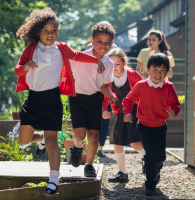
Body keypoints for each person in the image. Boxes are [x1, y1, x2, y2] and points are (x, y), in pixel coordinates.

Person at [14, 7, 105, 196]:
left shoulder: (61, 48)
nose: (50, 34)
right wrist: (25, 66)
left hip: (52, 100)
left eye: (53, 30)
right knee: (23, 141)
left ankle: (54, 181)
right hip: (33, 100)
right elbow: (17, 71)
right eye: (45, 30)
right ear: (38, 31)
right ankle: (39, 140)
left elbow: (77, 55)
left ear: (57, 32)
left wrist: (96, 60)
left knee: (52, 142)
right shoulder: (31, 49)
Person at [123, 53, 180, 196]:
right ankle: (150, 184)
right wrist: (127, 113)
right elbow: (128, 100)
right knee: (150, 154)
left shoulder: (168, 87)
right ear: (148, 70)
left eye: (162, 71)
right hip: (144, 126)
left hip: (160, 126)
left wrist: (174, 111)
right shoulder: (141, 85)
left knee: (160, 156)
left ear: (167, 72)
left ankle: (156, 169)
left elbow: (175, 104)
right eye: (155, 69)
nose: (158, 74)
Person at [69, 22, 117, 177]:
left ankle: (89, 165)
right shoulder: (81, 57)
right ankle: (77, 145)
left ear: (112, 43)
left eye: (107, 42)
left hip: (95, 98)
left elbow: (104, 86)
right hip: (77, 97)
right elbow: (67, 70)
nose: (103, 45)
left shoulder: (109, 64)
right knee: (80, 135)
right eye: (99, 41)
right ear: (92, 41)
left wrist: (111, 94)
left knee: (94, 135)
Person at [102, 48, 145, 183]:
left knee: (134, 142)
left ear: (124, 63)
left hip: (136, 111)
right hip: (121, 112)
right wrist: (104, 110)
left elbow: (144, 94)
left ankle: (148, 158)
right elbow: (105, 97)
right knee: (117, 140)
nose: (114, 67)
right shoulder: (108, 78)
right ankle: (123, 173)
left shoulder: (133, 75)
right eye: (111, 64)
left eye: (118, 64)